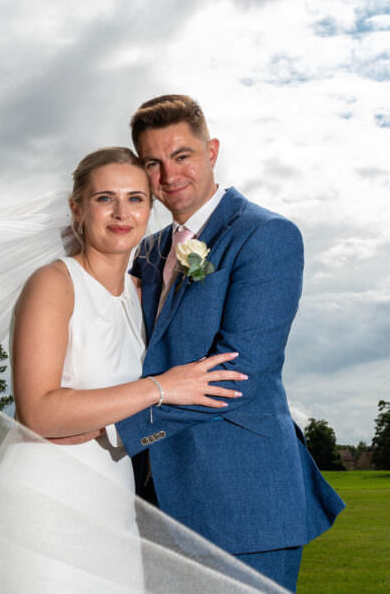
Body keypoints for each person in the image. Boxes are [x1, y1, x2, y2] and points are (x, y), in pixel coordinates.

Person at [0, 147, 249, 592]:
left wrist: (96, 412)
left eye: (136, 199)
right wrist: (159, 389)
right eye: (105, 198)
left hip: (112, 491)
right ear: (77, 208)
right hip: (47, 494)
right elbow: (39, 413)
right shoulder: (53, 282)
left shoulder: (146, 293)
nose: (122, 212)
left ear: (151, 207)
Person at [113, 95, 346, 592]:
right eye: (152, 163)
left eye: (183, 156)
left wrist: (111, 431)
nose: (169, 175)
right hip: (150, 501)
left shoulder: (266, 235)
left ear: (212, 150)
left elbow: (237, 375)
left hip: (243, 498)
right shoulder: (149, 250)